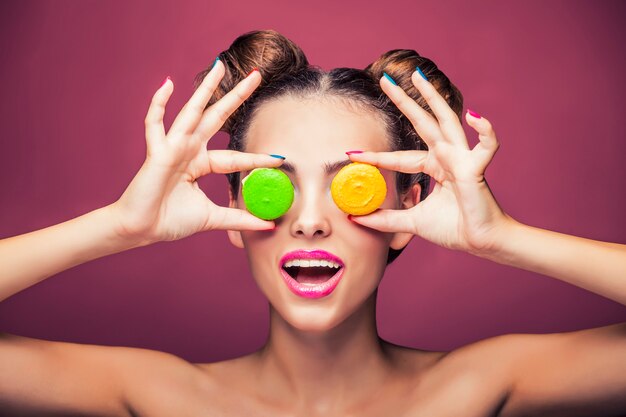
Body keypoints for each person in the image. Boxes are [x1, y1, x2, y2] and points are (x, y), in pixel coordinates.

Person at [1, 29, 625, 417]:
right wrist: (119, 224)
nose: (309, 221)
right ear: (236, 213)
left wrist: (504, 238)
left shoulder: (483, 385)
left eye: (350, 187)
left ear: (410, 212)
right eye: (276, 188)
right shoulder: (157, 395)